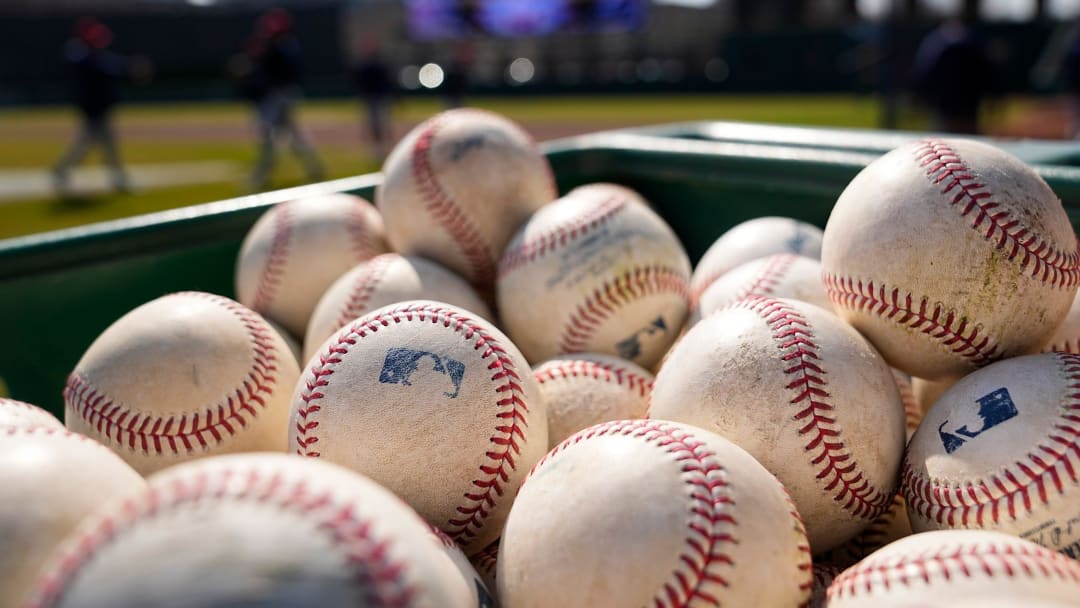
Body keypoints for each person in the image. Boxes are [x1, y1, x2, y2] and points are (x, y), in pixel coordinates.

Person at [52, 17, 147, 195]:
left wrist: (128, 67)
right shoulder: (80, 55)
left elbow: (110, 63)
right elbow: (105, 66)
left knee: (93, 144)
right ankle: (116, 179)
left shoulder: (91, 55)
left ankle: (63, 171)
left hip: (99, 109)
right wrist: (129, 67)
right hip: (94, 110)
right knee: (95, 144)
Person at [244, 9, 324, 191]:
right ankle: (314, 168)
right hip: (276, 97)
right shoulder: (273, 45)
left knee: (270, 135)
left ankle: (262, 174)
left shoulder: (283, 45)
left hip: (279, 96)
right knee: (291, 137)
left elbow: (284, 72)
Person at [913, 19, 994, 135]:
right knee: (955, 145)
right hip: (962, 110)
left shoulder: (935, 43)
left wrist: (922, 98)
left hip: (954, 111)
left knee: (952, 143)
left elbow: (924, 76)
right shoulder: (973, 42)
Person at [352, 40, 395, 160]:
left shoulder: (380, 63)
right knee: (373, 125)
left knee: (383, 124)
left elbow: (387, 81)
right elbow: (359, 82)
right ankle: (378, 151)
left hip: (381, 98)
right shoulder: (362, 64)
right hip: (369, 98)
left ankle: (388, 149)